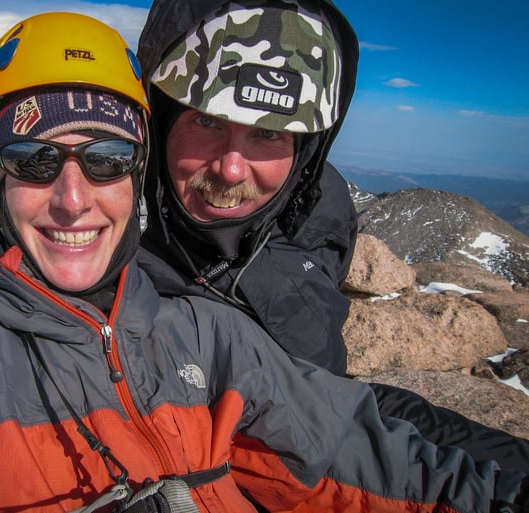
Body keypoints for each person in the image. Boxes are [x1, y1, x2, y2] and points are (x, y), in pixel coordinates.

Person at [0, 10, 527, 513]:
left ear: (135, 171)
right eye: (31, 160)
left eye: (104, 159)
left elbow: (358, 447)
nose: (71, 197)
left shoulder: (203, 334)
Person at [135, 0, 529, 472]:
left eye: (267, 133)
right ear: (160, 118)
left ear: (304, 146)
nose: (231, 168)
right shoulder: (109, 241)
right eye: (206, 122)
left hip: (336, 408)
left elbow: (332, 394)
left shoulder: (318, 208)